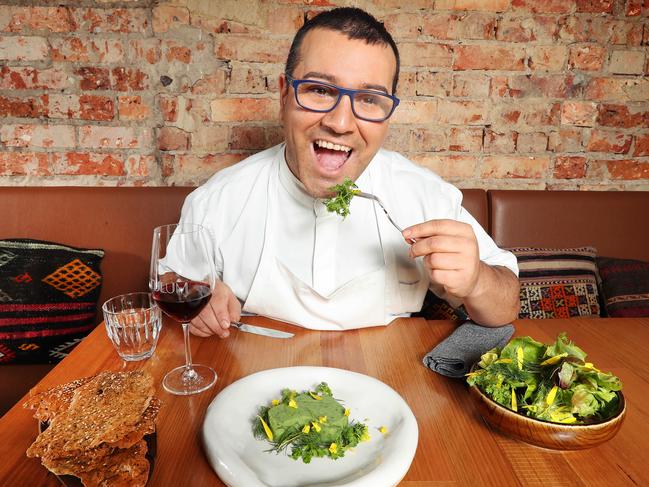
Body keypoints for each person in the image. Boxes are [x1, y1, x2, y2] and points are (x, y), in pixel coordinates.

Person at [180, 7, 520, 337]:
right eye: (319, 90)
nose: (340, 123)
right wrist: (200, 301)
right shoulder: (219, 199)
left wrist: (477, 281)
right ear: (284, 95)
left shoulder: (423, 195)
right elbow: (172, 282)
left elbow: (505, 306)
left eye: (370, 99)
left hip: (390, 377)